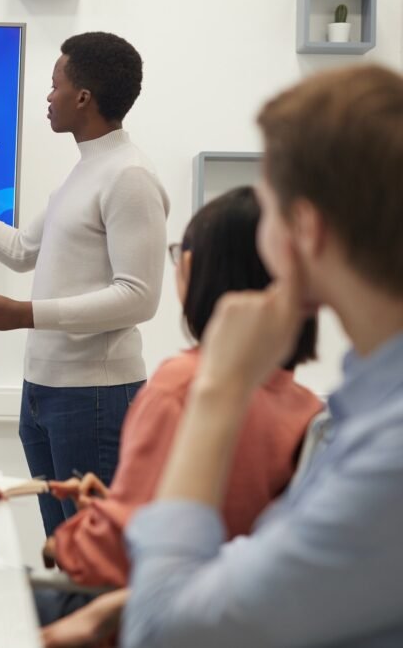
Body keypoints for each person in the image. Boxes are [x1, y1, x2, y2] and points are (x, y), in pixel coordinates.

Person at [122, 64, 403, 647]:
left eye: (267, 206)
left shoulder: (389, 450)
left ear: (307, 229)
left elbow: (163, 634)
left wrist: (219, 390)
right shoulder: (366, 407)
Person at [0, 32, 170, 535]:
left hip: (96, 398)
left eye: (55, 86)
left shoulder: (129, 176)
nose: (49, 97)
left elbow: (139, 297)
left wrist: (25, 314)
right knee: (64, 552)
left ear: (83, 98)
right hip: (44, 392)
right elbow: (22, 251)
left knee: (96, 560)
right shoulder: (85, 172)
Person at [37, 186, 322, 641]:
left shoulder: (184, 386)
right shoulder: (308, 407)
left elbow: (109, 558)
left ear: (190, 268)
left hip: (141, 615)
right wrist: (116, 506)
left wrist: (65, 539)